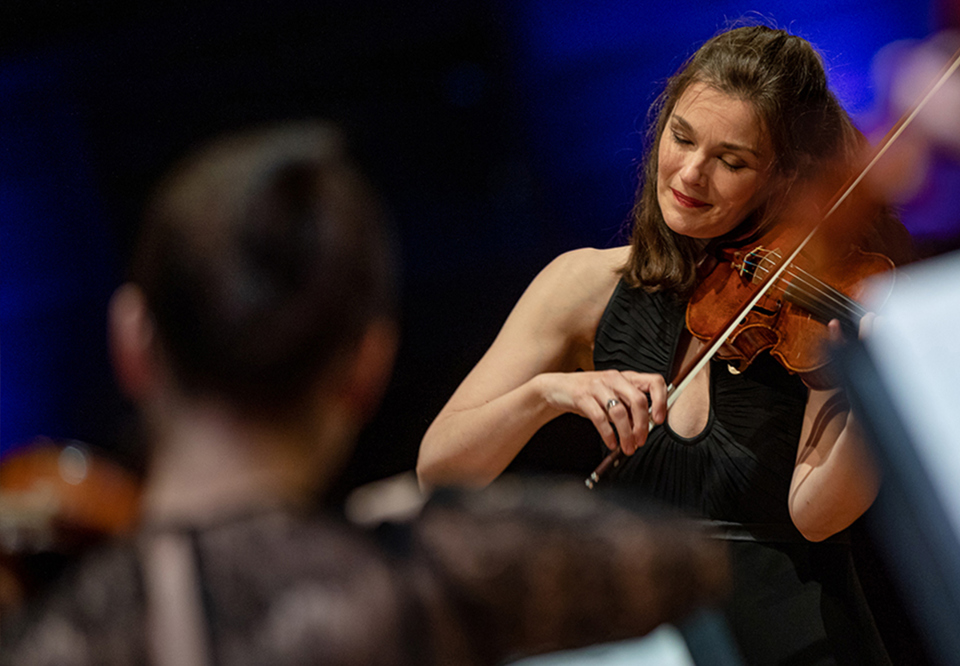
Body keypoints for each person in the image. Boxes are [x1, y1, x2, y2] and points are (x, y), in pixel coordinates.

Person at [0, 121, 732, 665]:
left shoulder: (53, 639)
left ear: (132, 346)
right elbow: (687, 564)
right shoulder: (411, 582)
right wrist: (408, 522)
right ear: (366, 370)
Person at [417, 24, 915, 666]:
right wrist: (549, 393)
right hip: (648, 643)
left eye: (732, 162)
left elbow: (817, 516)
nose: (691, 173)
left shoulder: (820, 302)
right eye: (681, 137)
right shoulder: (583, 285)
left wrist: (869, 386)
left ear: (782, 177)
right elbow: (440, 470)